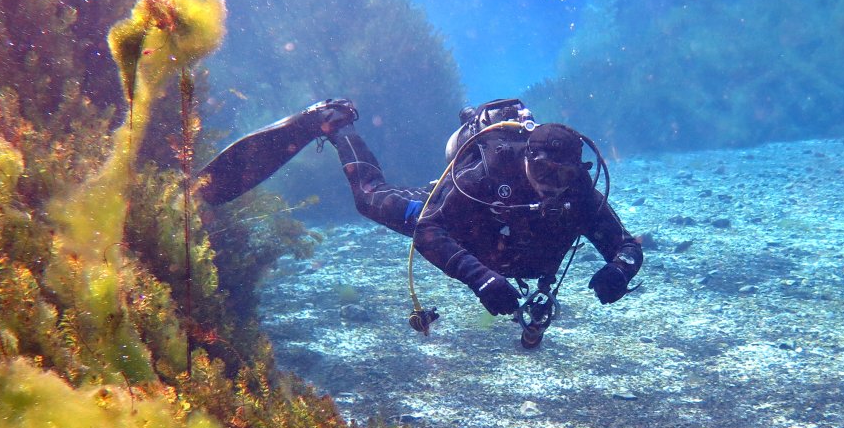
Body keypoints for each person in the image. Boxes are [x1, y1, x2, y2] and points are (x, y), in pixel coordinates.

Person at [198, 98, 643, 347]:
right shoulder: (487, 173)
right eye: (543, 170)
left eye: (564, 175)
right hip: (457, 221)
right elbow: (429, 230)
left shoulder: (580, 196)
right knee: (370, 199)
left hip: (507, 256)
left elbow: (625, 244)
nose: (551, 184)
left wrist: (619, 270)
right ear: (526, 158)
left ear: (579, 172)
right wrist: (480, 278)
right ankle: (332, 124)